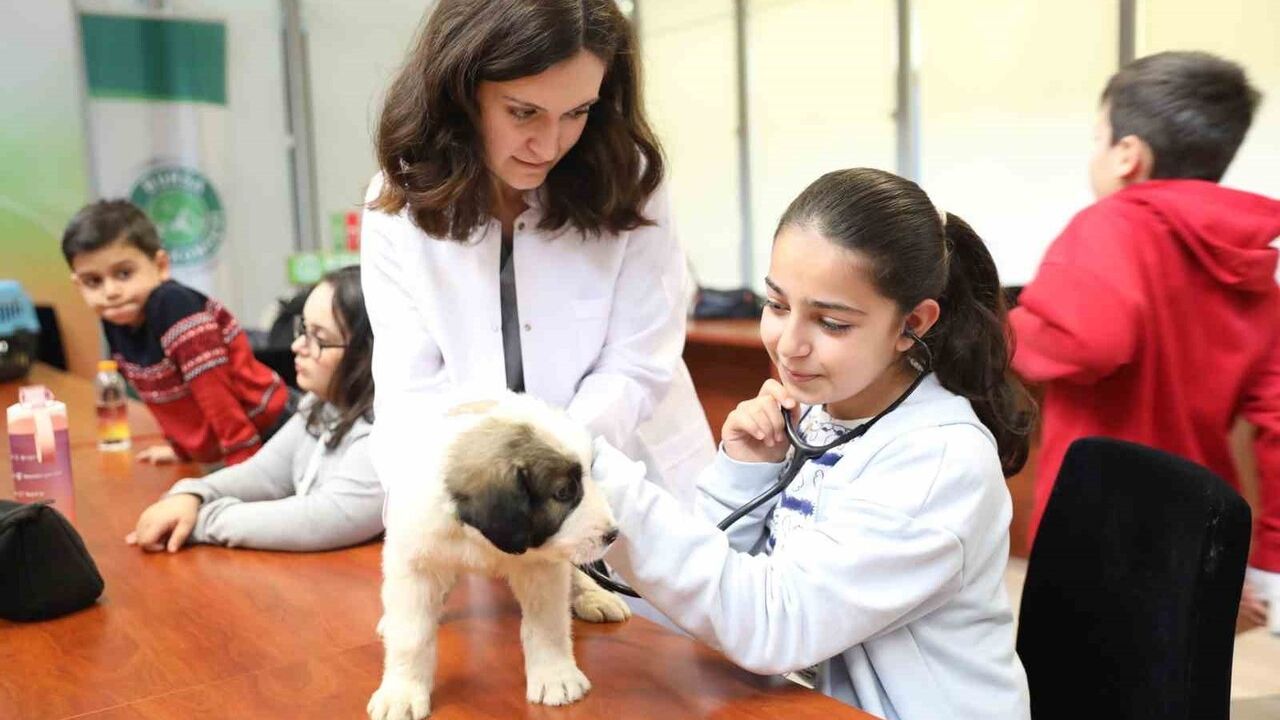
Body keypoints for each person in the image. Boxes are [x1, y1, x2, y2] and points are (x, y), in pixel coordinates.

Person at [590, 168, 1034, 719]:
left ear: (911, 323)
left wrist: (589, 473)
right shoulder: (823, 414)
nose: (789, 345)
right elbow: (693, 611)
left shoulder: (939, 461)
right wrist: (743, 474)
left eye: (830, 322)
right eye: (777, 306)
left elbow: (774, 625)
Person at [360, 0, 714, 618]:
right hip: (495, 510)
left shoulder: (628, 180)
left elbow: (639, 363)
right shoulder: (400, 200)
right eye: (523, 112)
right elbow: (410, 392)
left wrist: (559, 483)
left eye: (577, 111)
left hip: (633, 484)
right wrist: (441, 524)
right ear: (460, 92)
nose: (549, 143)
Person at [1008, 51, 1280, 631]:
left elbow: (1087, 344)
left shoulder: (1109, 224)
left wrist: (1000, 330)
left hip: (1097, 524)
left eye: (1099, 137)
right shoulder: (1256, 271)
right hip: (1203, 526)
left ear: (1128, 154)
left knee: (1074, 686)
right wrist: (1268, 561)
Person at [125, 266, 383, 552]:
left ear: (368, 353)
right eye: (303, 330)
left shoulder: (389, 432)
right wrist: (192, 494)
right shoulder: (322, 403)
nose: (297, 345)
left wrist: (200, 520)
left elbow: (323, 519)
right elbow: (265, 474)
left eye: (319, 338)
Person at [62, 200, 290, 466]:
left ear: (160, 266)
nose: (110, 291)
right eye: (93, 281)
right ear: (78, 285)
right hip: (233, 444)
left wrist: (244, 470)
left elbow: (214, 390)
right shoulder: (116, 316)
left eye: (124, 273)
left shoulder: (173, 306)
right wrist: (182, 449)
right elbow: (161, 397)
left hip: (270, 432)